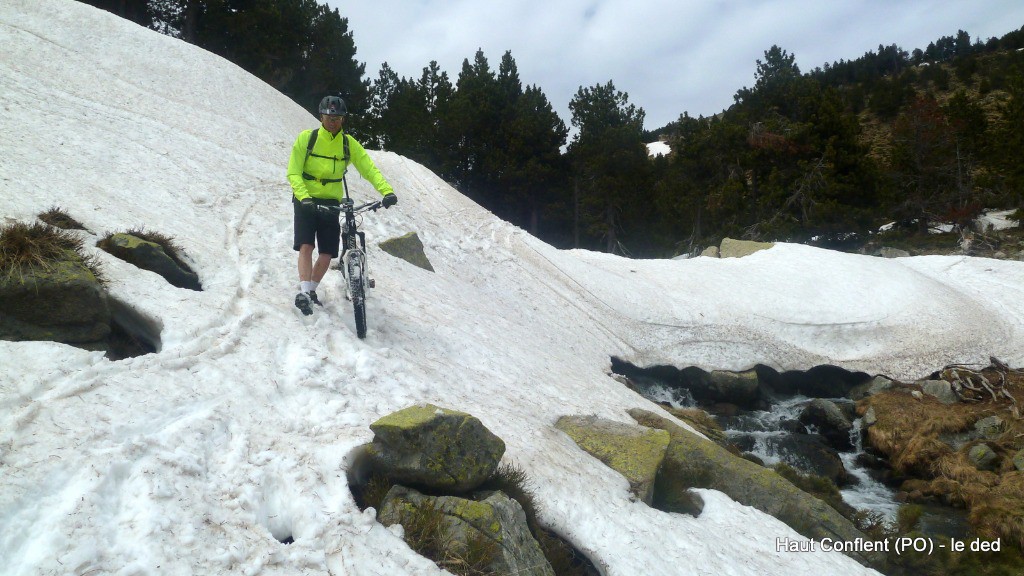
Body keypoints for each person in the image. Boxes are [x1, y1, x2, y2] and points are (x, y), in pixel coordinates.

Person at [286, 95, 398, 315]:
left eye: (337, 117)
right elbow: (293, 171)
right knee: (306, 246)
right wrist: (303, 196)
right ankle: (305, 291)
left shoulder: (348, 144)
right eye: (329, 116)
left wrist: (387, 191)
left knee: (328, 252)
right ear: (321, 116)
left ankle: (311, 291)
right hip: (305, 199)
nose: (333, 120)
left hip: (331, 202)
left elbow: (368, 169)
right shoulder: (306, 138)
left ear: (343, 120)